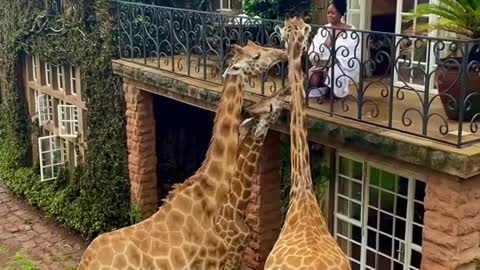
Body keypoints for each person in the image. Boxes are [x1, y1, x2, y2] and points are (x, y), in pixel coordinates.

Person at [307, 0, 361, 100]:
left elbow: (352, 56)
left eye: (333, 12)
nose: (330, 15)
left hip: (342, 66)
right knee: (312, 77)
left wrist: (333, 63)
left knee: (334, 72)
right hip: (322, 63)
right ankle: (324, 90)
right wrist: (326, 44)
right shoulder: (323, 30)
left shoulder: (351, 32)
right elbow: (314, 49)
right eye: (328, 13)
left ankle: (333, 92)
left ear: (341, 13)